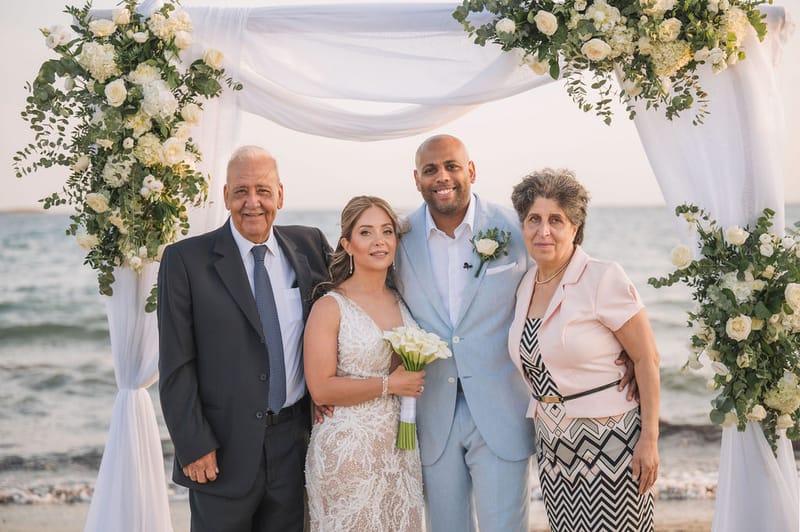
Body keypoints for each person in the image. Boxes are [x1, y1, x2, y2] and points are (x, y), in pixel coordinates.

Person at [157, 145, 331, 531]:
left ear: (280, 195)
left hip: (294, 448)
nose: (252, 202)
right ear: (225, 196)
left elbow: (347, 312)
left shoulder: (311, 246)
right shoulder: (185, 261)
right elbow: (175, 365)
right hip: (219, 452)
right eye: (241, 191)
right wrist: (193, 444)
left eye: (263, 191)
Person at [393, 134, 535, 531]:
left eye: (452, 166)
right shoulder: (399, 237)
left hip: (501, 408)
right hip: (431, 411)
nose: (443, 177)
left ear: (470, 170)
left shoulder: (515, 228)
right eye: (430, 169)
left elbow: (554, 291)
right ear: (417, 179)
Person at [507, 168, 660, 531]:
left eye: (555, 220)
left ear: (575, 227)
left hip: (613, 443)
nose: (543, 231)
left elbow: (646, 358)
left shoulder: (602, 277)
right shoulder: (526, 283)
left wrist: (650, 440)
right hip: (554, 447)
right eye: (534, 220)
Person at [303, 195, 426, 531]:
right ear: (348, 244)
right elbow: (321, 387)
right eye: (366, 233)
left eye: (387, 231)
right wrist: (390, 385)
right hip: (347, 451)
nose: (379, 241)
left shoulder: (403, 299)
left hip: (400, 450)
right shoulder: (330, 306)